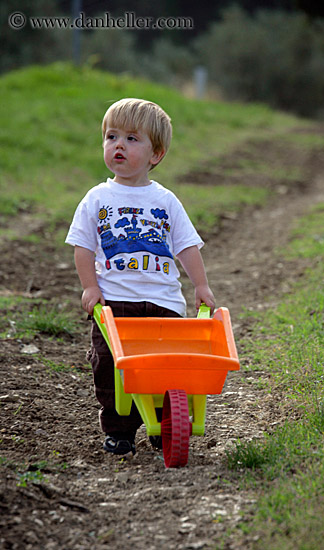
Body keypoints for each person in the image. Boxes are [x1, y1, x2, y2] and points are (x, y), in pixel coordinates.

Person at [66, 98, 215, 457]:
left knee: (166, 369)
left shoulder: (165, 200)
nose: (118, 145)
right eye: (111, 136)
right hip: (115, 304)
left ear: (156, 154)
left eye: (132, 139)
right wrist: (90, 286)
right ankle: (120, 429)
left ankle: (167, 422)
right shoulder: (97, 198)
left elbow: (186, 246)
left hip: (164, 303)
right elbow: (83, 246)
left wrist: (201, 284)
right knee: (110, 365)